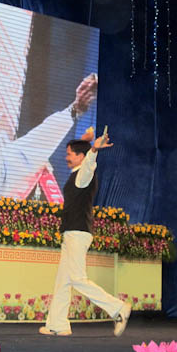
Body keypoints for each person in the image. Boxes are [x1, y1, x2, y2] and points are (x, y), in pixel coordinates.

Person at [39, 132, 131, 337]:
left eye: (70, 154)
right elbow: (85, 160)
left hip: (77, 233)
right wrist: (85, 141)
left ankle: (118, 308)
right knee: (63, 281)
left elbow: (89, 165)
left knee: (78, 279)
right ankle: (57, 324)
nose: (66, 157)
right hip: (72, 232)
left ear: (81, 156)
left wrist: (94, 149)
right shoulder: (77, 174)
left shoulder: (83, 175)